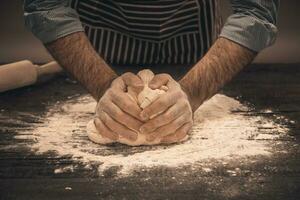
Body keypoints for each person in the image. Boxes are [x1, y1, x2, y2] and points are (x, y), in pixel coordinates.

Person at [24, 0, 279, 144]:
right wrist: (102, 84)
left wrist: (191, 92)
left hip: (195, 56)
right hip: (92, 55)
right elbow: (47, 7)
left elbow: (255, 12)